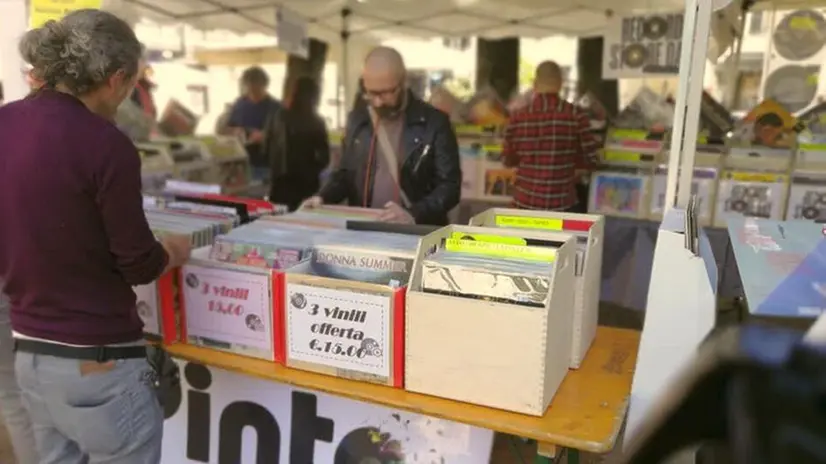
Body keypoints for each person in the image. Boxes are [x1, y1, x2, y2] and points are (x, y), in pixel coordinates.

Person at [0, 9, 191, 463]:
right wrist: (171, 252)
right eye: (128, 87)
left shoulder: (5, 123)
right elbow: (137, 263)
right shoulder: (107, 145)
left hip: (29, 352)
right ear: (116, 78)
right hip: (99, 362)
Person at [303, 46, 462, 225]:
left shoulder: (435, 123)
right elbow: (345, 174)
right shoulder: (358, 119)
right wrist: (322, 197)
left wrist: (413, 214)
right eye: (371, 93)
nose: (377, 102)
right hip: (366, 229)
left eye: (385, 93)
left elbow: (449, 187)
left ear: (403, 82)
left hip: (416, 233)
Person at [502, 61, 599, 212]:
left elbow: (507, 160)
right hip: (563, 205)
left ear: (534, 84)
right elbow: (591, 159)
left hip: (524, 204)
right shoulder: (576, 115)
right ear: (560, 84)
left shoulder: (517, 117)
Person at [265, 77, 330, 211]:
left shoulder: (278, 116)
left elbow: (266, 148)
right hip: (307, 184)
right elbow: (324, 157)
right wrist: (313, 169)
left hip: (280, 183)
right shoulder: (316, 122)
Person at [225, 66, 283, 183]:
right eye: (249, 89)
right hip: (242, 163)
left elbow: (285, 134)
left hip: (267, 164)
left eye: (256, 89)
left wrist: (265, 135)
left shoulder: (276, 107)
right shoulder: (239, 104)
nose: (253, 93)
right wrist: (235, 132)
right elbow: (228, 128)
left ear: (265, 86)